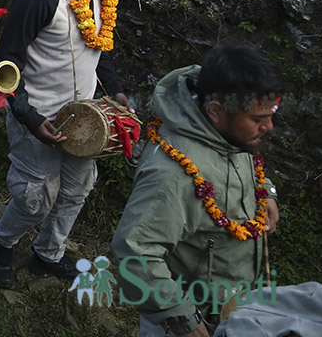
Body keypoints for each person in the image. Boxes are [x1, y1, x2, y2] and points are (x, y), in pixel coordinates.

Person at [0, 0, 134, 289]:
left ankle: (48, 254)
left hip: (84, 121)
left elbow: (100, 52)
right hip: (38, 117)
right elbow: (5, 66)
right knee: (36, 199)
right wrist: (31, 120)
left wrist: (115, 92)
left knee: (76, 190)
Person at [111, 45, 283, 337]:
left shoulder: (226, 131)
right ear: (215, 111)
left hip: (230, 306)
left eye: (271, 114)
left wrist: (265, 191)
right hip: (190, 320)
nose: (269, 126)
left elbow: (242, 160)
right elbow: (135, 251)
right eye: (258, 119)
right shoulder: (172, 174)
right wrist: (183, 320)